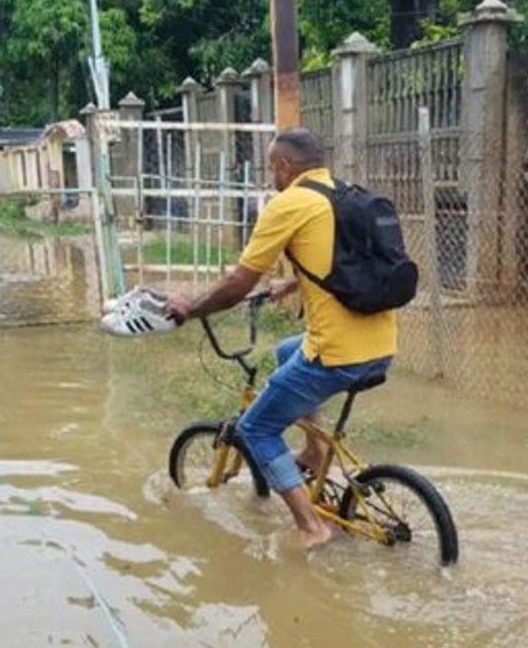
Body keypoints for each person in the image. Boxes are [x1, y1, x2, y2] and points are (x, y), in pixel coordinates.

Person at [165, 128, 398, 550]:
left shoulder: (288, 204)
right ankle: (313, 451)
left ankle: (312, 528)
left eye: (271, 167)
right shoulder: (343, 196)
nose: (270, 175)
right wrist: (291, 285)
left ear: (283, 167)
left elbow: (238, 282)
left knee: (256, 428)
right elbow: (343, 262)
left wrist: (190, 307)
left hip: (336, 355)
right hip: (381, 345)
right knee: (286, 350)